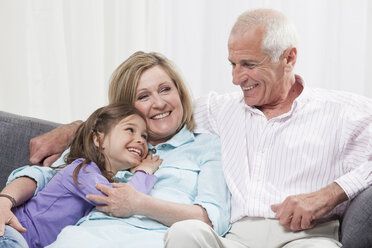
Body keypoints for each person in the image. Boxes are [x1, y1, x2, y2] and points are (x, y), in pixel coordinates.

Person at [163, 8, 372, 248]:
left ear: (289, 58)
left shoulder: (342, 112)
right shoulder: (220, 109)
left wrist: (329, 194)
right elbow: (163, 117)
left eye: (249, 64)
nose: (236, 78)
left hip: (307, 238)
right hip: (236, 239)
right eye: (233, 64)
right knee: (185, 232)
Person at [0, 52, 230, 247]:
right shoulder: (111, 143)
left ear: (179, 93)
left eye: (165, 89)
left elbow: (211, 220)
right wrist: (5, 200)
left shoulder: (207, 147)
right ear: (127, 108)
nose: (159, 103)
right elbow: (47, 175)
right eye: (143, 96)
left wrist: (140, 204)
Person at [0, 102, 161, 248]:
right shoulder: (83, 170)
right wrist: (144, 171)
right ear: (98, 139)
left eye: (144, 136)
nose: (140, 140)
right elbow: (127, 200)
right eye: (130, 130)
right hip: (11, 231)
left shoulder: (104, 179)